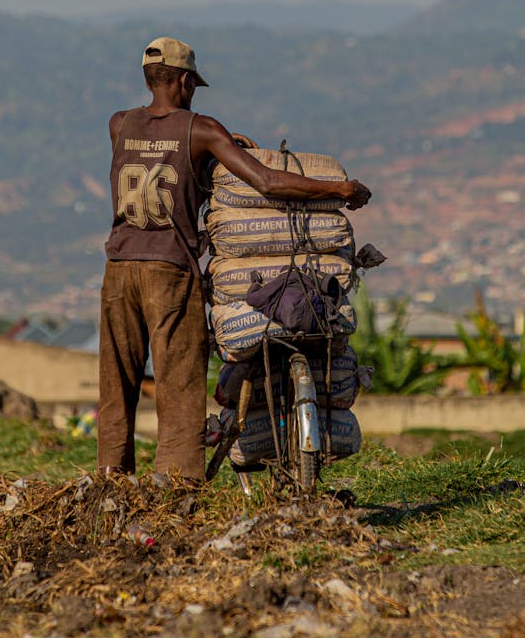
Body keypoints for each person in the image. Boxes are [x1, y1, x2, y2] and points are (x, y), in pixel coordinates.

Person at [97, 35, 371, 485]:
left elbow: (159, 158)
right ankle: (178, 483)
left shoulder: (118, 124)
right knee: (179, 381)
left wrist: (208, 150)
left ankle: (110, 481)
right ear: (185, 81)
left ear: (149, 79)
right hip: (170, 271)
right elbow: (266, 182)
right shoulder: (201, 129)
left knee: (117, 381)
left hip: (119, 269)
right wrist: (340, 190)